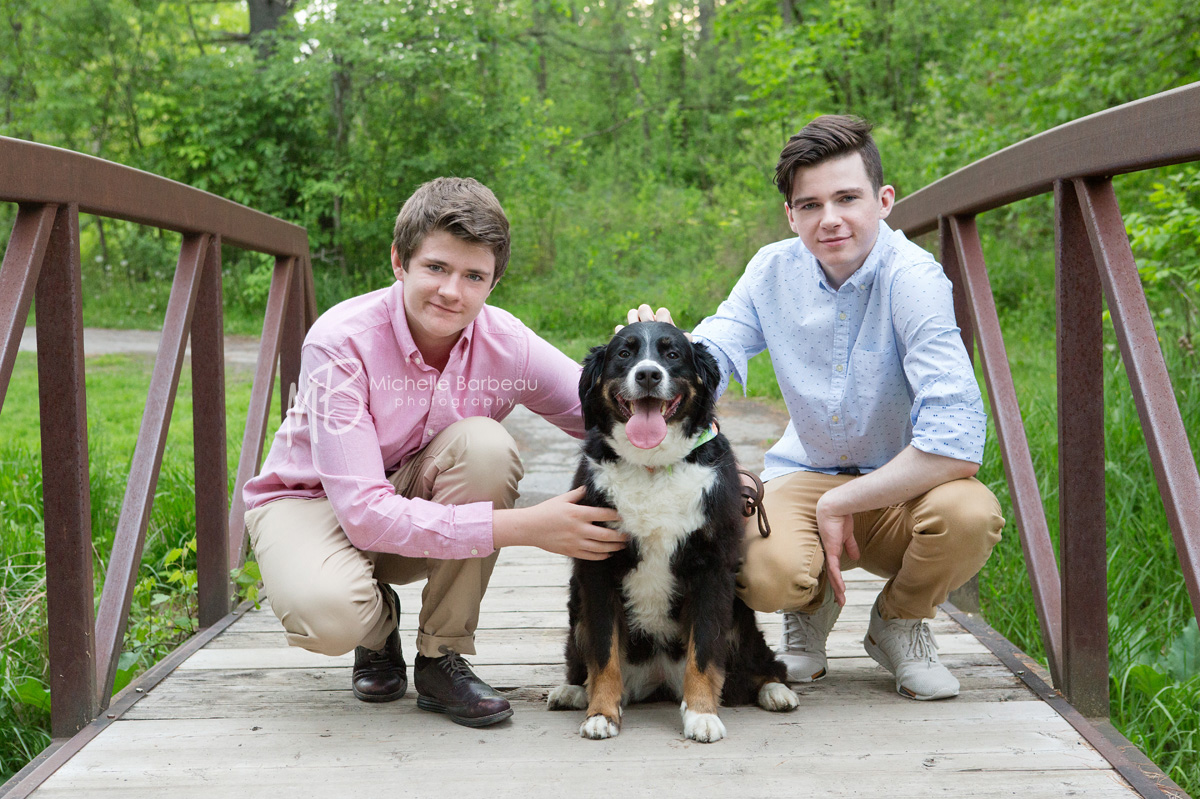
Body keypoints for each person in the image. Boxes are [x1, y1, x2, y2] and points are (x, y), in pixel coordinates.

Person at [633, 115, 1004, 700]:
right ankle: (808, 607)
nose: (829, 219)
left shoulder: (914, 279)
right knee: (760, 572)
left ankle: (900, 623)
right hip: (804, 471)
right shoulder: (771, 269)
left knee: (970, 515)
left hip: (906, 485)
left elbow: (956, 441)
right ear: (791, 215)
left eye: (847, 198)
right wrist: (668, 353)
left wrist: (842, 501)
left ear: (883, 200)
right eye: (809, 205)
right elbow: (718, 352)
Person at [242, 177, 625, 728]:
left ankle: (441, 658)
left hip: (412, 497)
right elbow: (365, 514)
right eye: (436, 268)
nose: (452, 291)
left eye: (474, 276)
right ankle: (377, 626)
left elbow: (612, 411)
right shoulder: (340, 341)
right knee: (329, 614)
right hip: (313, 501)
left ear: (493, 282)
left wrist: (649, 373)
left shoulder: (506, 342)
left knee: (486, 447)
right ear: (399, 261)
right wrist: (528, 526)